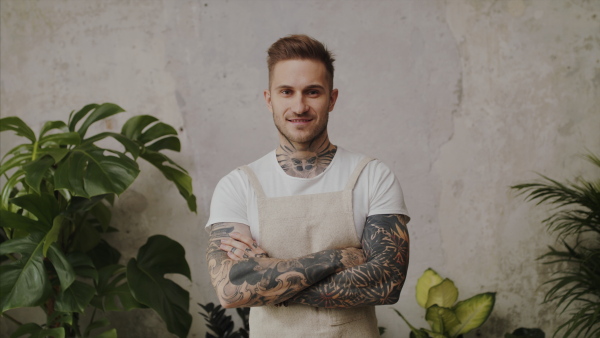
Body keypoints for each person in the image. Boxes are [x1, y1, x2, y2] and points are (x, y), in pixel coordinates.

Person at [205, 34, 410, 337]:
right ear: (269, 98)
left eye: (312, 92)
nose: (299, 106)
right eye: (286, 92)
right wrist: (338, 257)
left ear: (332, 98)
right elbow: (231, 289)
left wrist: (268, 281)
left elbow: (386, 283)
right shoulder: (238, 186)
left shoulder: (372, 176)